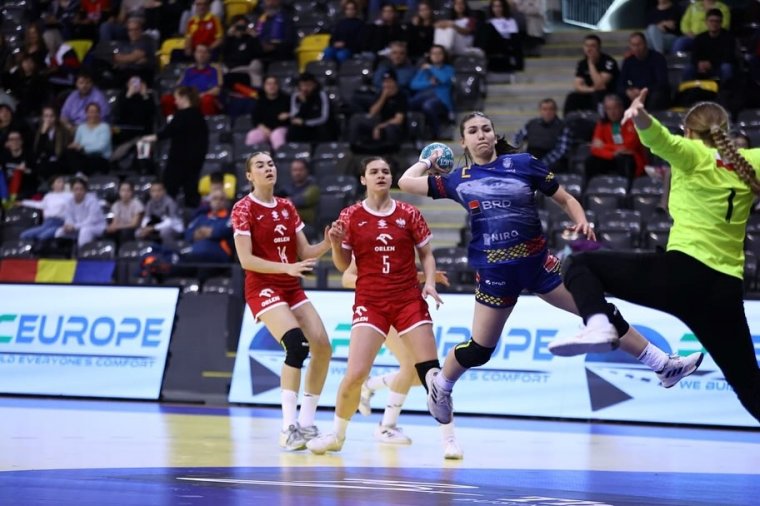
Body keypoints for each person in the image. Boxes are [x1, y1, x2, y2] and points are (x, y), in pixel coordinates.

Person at [397, 111, 705, 425]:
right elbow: (405, 182)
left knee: (600, 311)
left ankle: (663, 366)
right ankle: (441, 385)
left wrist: (582, 220)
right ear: (463, 141)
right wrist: (428, 160)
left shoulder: (523, 164)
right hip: (495, 274)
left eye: (486, 129)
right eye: (473, 131)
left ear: (494, 134)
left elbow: (565, 198)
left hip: (539, 265)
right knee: (479, 350)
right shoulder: (456, 180)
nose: (481, 135)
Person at [551, 90, 760, 423]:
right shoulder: (752, 161)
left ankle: (598, 325)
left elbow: (659, 139)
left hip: (684, 274)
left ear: (689, 131)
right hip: (725, 290)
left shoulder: (694, 154)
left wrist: (639, 114)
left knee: (581, 263)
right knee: (750, 387)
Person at [306, 156, 445, 455]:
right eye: (374, 171)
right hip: (374, 303)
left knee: (419, 371)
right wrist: (337, 246)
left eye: (385, 171)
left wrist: (424, 277)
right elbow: (347, 273)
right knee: (382, 369)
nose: (380, 175)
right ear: (363, 179)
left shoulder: (406, 216)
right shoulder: (354, 220)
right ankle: (372, 425)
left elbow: (406, 263)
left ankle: (378, 398)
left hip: (404, 301)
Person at [231, 151, 334, 451]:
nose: (268, 169)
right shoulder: (243, 208)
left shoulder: (287, 206)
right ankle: (288, 428)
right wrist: (285, 267)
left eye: (271, 164)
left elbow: (305, 253)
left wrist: (329, 243)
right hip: (263, 286)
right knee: (296, 344)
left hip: (290, 286)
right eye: (260, 165)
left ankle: (307, 423)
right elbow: (246, 260)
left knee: (323, 347)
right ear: (249, 175)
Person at [344, 258, 463, 459]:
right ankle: (386, 426)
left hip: (405, 307)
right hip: (377, 308)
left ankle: (370, 385)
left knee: (416, 377)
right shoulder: (365, 242)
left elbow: (399, 275)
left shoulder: (405, 241)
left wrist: (427, 277)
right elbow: (347, 278)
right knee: (409, 367)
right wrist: (378, 283)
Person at [142, 86, 209, 209]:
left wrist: (151, 137)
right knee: (191, 192)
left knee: (169, 190)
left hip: (178, 161)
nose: (175, 101)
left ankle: (166, 215)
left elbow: (168, 132)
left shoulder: (181, 115)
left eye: (177, 98)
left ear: (184, 98)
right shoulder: (199, 116)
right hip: (194, 162)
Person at [585, 94, 647, 182]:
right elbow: (595, 148)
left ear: (621, 108)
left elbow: (627, 147)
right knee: (591, 161)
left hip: (630, 160)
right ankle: (591, 187)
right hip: (609, 157)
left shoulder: (631, 122)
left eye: (615, 108)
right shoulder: (602, 124)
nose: (612, 112)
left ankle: (627, 187)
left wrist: (604, 146)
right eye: (608, 109)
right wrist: (613, 154)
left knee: (624, 159)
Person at [563, 34, 619, 116]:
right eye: (586, 46)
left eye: (592, 46)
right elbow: (577, 86)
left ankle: (599, 120)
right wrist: (591, 90)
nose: (589, 49)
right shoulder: (582, 63)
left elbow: (600, 84)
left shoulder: (608, 62)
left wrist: (591, 64)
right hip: (590, 92)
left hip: (607, 94)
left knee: (598, 95)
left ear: (599, 47)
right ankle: (568, 121)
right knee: (572, 97)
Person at [512, 98, 570, 172]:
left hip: (551, 163)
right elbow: (517, 138)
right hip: (531, 159)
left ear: (555, 111)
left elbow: (561, 150)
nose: (548, 112)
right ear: (540, 111)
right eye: (544, 109)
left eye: (551, 109)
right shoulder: (532, 124)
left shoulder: (563, 127)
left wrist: (541, 164)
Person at [409, 44, 454, 140]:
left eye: (439, 53)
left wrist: (431, 68)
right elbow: (413, 85)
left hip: (441, 100)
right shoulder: (424, 70)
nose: (436, 55)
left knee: (428, 105)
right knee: (407, 103)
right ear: (430, 55)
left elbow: (444, 79)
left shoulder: (448, 69)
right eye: (434, 53)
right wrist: (429, 83)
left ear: (444, 55)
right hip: (423, 97)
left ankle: (436, 133)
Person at [618, 32, 670, 110]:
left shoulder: (658, 58)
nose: (637, 48)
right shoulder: (628, 61)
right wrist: (628, 91)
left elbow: (662, 82)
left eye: (639, 44)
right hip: (635, 93)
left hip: (651, 92)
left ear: (645, 44)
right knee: (618, 97)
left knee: (658, 95)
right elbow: (620, 83)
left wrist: (643, 91)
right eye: (633, 45)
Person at [182, 188, 233, 263]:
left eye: (221, 199)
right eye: (215, 198)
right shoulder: (201, 218)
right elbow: (187, 234)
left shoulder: (230, 218)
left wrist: (208, 232)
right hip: (196, 251)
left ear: (226, 202)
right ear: (210, 201)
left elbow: (224, 231)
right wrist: (196, 234)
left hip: (219, 252)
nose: (218, 201)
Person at [55, 175, 107, 248]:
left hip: (95, 227)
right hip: (77, 227)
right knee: (59, 232)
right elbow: (68, 217)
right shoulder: (69, 202)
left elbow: (92, 220)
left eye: (81, 189)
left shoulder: (92, 201)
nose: (78, 192)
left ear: (85, 190)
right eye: (76, 189)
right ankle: (63, 253)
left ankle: (81, 252)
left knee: (84, 231)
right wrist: (68, 226)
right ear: (72, 190)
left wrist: (74, 227)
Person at [19, 175, 72, 244]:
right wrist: (23, 202)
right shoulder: (48, 196)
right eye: (59, 182)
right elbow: (39, 204)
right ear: (52, 185)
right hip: (47, 223)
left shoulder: (69, 196)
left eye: (62, 182)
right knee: (24, 235)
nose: (61, 184)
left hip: (59, 223)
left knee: (42, 237)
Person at [245, 75, 290, 151]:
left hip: (282, 128)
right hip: (265, 129)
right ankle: (251, 157)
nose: (272, 86)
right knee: (252, 135)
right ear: (264, 86)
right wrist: (263, 128)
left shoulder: (287, 99)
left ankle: (279, 156)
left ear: (278, 86)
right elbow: (255, 119)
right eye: (268, 84)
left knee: (276, 135)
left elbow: (294, 114)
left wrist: (288, 115)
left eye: (274, 83)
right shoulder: (260, 100)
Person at [66, 103, 112, 175]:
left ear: (99, 113)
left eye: (95, 112)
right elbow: (76, 144)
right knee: (69, 152)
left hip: (100, 158)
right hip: (83, 157)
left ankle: (79, 174)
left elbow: (101, 148)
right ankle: (78, 175)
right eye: (90, 112)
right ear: (86, 113)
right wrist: (73, 146)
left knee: (87, 161)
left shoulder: (104, 127)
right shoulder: (81, 127)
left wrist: (83, 148)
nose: (93, 114)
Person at [135, 180, 184, 247]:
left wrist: (153, 228)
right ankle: (146, 251)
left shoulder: (170, 202)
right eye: (153, 191)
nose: (156, 193)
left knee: (165, 232)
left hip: (174, 228)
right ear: (150, 192)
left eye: (159, 190)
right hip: (157, 226)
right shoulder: (150, 203)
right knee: (138, 232)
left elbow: (170, 222)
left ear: (164, 191)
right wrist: (144, 228)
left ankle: (169, 251)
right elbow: (147, 217)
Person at [322, 0, 364, 64]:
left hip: (351, 49)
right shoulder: (340, 23)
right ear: (345, 11)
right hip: (337, 47)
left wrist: (345, 44)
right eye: (348, 9)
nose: (350, 11)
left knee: (341, 54)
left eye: (352, 9)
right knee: (328, 51)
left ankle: (343, 70)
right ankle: (326, 69)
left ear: (355, 10)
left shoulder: (360, 24)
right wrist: (334, 43)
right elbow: (333, 37)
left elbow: (359, 41)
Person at [281, 159, 320, 228]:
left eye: (301, 170)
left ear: (307, 171)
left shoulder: (313, 188)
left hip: (307, 224)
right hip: (289, 223)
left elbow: (302, 200)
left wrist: (286, 201)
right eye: (295, 170)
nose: (297, 173)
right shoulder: (286, 188)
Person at [105, 180, 144, 247]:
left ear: (132, 192)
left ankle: (126, 251)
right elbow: (115, 222)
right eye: (123, 190)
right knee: (107, 233)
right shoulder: (116, 205)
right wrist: (111, 228)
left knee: (125, 233)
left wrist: (118, 227)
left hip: (134, 230)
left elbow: (134, 224)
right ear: (119, 192)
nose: (125, 193)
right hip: (120, 228)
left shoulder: (137, 204)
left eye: (128, 191)